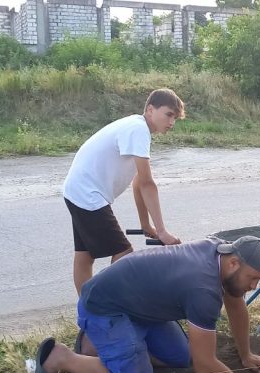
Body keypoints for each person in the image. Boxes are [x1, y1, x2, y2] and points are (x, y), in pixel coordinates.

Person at [34, 236, 260, 373]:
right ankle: (63, 357)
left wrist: (246, 354)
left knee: (182, 356)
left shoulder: (222, 253)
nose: (253, 286)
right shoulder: (203, 289)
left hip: (138, 305)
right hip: (104, 307)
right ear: (235, 263)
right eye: (252, 278)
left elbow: (236, 305)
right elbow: (206, 365)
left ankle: (109, 346)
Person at [62, 89, 185, 296]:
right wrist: (162, 231)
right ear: (150, 109)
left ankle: (88, 310)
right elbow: (147, 183)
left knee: (85, 254)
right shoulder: (138, 130)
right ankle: (103, 304)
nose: (172, 122)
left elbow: (138, 182)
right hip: (87, 194)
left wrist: (146, 225)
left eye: (175, 117)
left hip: (77, 190)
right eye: (169, 114)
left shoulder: (135, 126)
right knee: (124, 253)